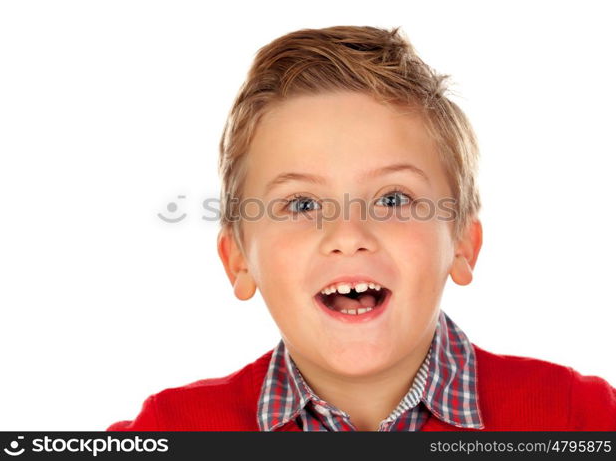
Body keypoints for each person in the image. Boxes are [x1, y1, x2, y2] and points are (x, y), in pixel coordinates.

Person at [107, 25, 616, 431]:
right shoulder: (169, 431)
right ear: (238, 260)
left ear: (462, 243)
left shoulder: (585, 419)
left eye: (393, 199)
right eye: (302, 204)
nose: (348, 234)